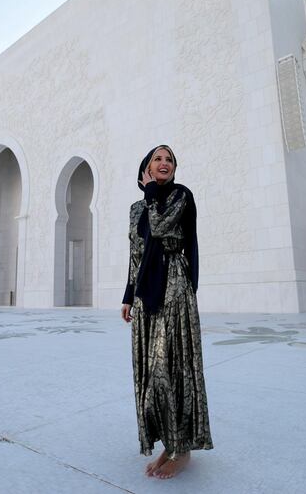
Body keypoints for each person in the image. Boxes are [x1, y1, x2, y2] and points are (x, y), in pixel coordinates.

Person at [120, 145, 213, 480]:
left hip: (174, 286)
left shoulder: (179, 196)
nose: (164, 163)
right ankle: (168, 443)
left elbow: (159, 227)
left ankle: (183, 447)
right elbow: (137, 253)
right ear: (145, 166)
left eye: (169, 159)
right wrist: (129, 295)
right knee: (150, 371)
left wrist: (150, 192)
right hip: (146, 292)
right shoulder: (136, 208)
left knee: (171, 365)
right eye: (157, 158)